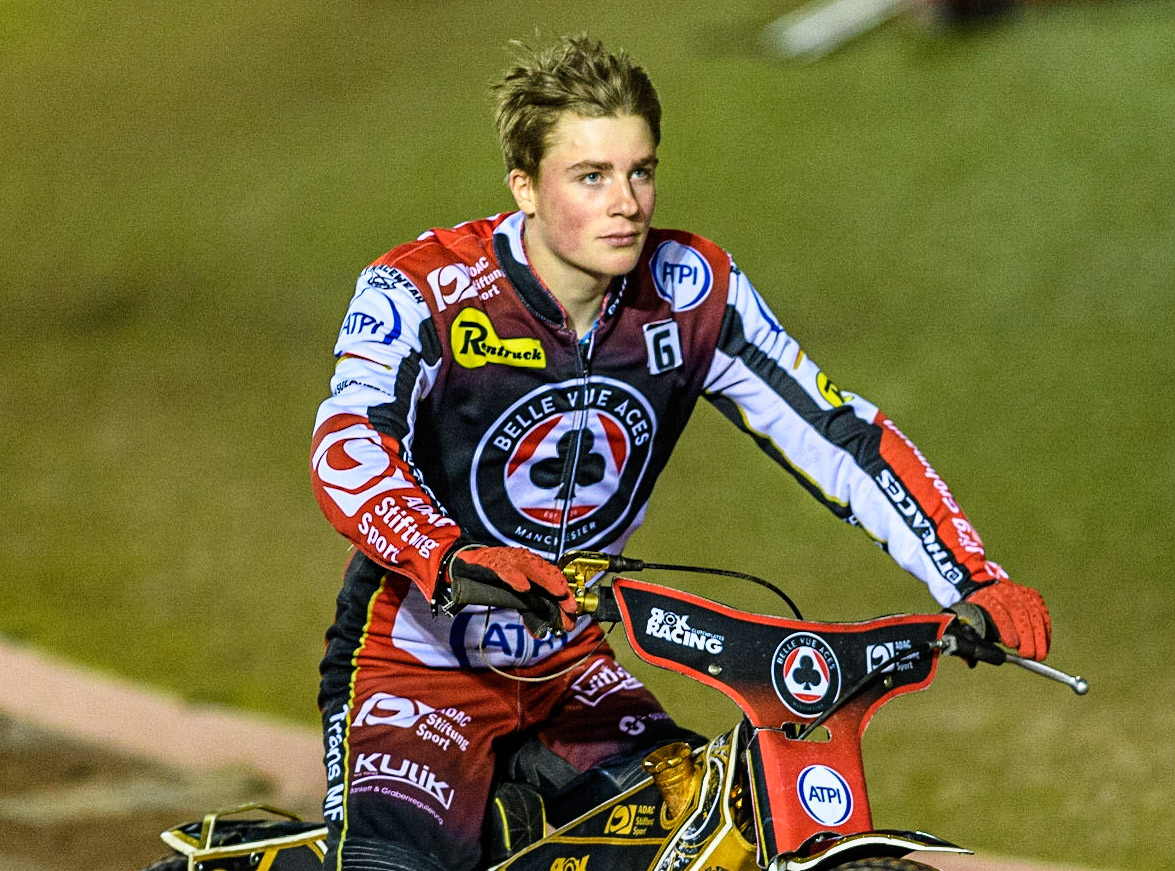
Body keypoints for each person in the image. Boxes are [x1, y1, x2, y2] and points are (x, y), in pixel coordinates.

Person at [309, 34, 1051, 871]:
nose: (627, 203)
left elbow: (839, 434)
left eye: (641, 171)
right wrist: (449, 557)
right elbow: (347, 447)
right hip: (416, 665)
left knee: (721, 845)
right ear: (524, 186)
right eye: (591, 177)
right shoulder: (422, 288)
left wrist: (972, 576)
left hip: (573, 669)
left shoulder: (695, 291)